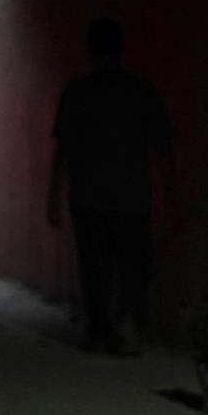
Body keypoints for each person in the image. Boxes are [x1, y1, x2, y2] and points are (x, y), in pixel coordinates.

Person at [46, 18, 175, 354]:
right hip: (132, 196)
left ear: (90, 50)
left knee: (94, 268)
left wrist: (53, 197)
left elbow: (64, 149)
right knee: (133, 267)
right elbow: (161, 145)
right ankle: (127, 327)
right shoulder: (141, 89)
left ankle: (99, 331)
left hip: (88, 195)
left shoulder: (77, 92)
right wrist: (170, 187)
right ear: (122, 48)